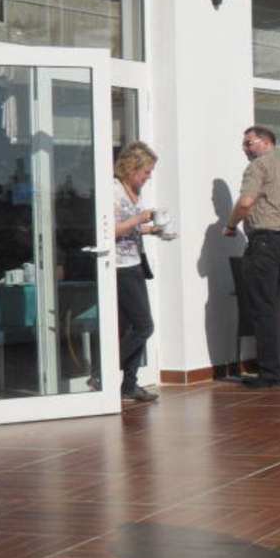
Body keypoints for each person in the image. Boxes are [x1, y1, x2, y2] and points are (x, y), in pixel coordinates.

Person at [224, 126, 280, 388]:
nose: (245, 148)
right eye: (244, 144)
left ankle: (271, 374)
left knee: (262, 308)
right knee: (272, 306)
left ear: (267, 143)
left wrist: (230, 225)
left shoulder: (257, 167)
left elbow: (245, 202)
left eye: (249, 142)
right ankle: (274, 370)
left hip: (264, 242)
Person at [114, 141, 160, 404]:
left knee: (135, 326)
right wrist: (139, 219)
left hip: (134, 264)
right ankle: (104, 373)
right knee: (144, 326)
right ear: (132, 168)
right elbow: (109, 230)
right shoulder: (114, 190)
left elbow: (129, 229)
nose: (148, 176)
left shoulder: (133, 192)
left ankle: (129, 385)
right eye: (146, 171)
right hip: (120, 267)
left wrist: (152, 230)